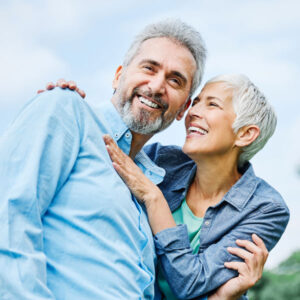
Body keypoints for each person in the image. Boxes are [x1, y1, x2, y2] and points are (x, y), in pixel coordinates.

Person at [0, 18, 267, 299]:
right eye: (149, 68)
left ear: (183, 109)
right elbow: (9, 218)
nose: (156, 85)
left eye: (175, 80)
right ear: (118, 76)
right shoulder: (66, 110)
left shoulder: (152, 189)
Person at [102, 74, 290, 299]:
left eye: (212, 104)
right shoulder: (160, 159)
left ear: (245, 134)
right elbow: (99, 152)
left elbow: (190, 284)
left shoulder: (266, 208)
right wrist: (67, 103)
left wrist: (154, 198)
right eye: (196, 101)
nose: (192, 112)